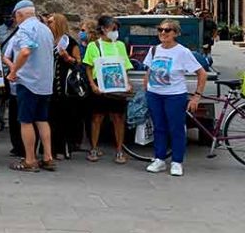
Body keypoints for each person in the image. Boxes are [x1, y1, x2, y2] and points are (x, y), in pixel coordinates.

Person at [143, 19, 207, 176]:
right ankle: (159, 159)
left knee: (176, 129)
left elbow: (202, 73)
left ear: (176, 33)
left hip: (174, 96)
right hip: (155, 95)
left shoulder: (182, 52)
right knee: (159, 128)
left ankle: (177, 162)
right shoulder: (154, 50)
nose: (163, 33)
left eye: (167, 30)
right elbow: (149, 72)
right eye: (160, 29)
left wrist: (196, 96)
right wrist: (146, 91)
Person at [7, 0, 56, 172]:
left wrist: (14, 71)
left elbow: (26, 51)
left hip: (29, 82)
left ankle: (30, 159)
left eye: (16, 17)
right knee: (42, 119)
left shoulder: (24, 30)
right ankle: (48, 157)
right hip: (45, 83)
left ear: (19, 14)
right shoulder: (46, 30)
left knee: (26, 121)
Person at [82, 15, 133, 164]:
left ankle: (119, 150)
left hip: (117, 85)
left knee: (118, 118)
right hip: (100, 85)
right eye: (113, 29)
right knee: (97, 118)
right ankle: (94, 148)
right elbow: (88, 68)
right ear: (104, 29)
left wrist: (128, 84)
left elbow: (125, 67)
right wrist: (93, 85)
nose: (115, 32)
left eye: (117, 29)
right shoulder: (94, 46)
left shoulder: (120, 46)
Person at [48, 13, 82, 159]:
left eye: (50, 22)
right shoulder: (48, 41)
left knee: (62, 117)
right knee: (50, 118)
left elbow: (78, 62)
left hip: (63, 84)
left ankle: (62, 148)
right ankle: (49, 148)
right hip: (49, 83)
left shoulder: (70, 42)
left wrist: (67, 58)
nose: (48, 24)